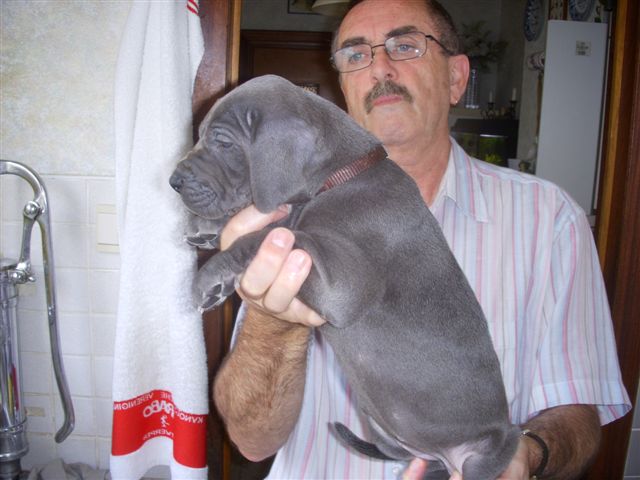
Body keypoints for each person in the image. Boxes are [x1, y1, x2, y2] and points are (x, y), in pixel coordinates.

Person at [212, 1, 631, 478]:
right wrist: (274, 323)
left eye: (405, 45)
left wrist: (526, 454)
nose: (379, 69)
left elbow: (578, 409)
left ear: (456, 78)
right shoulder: (290, 225)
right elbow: (250, 440)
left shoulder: (550, 220)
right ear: (344, 92)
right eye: (356, 55)